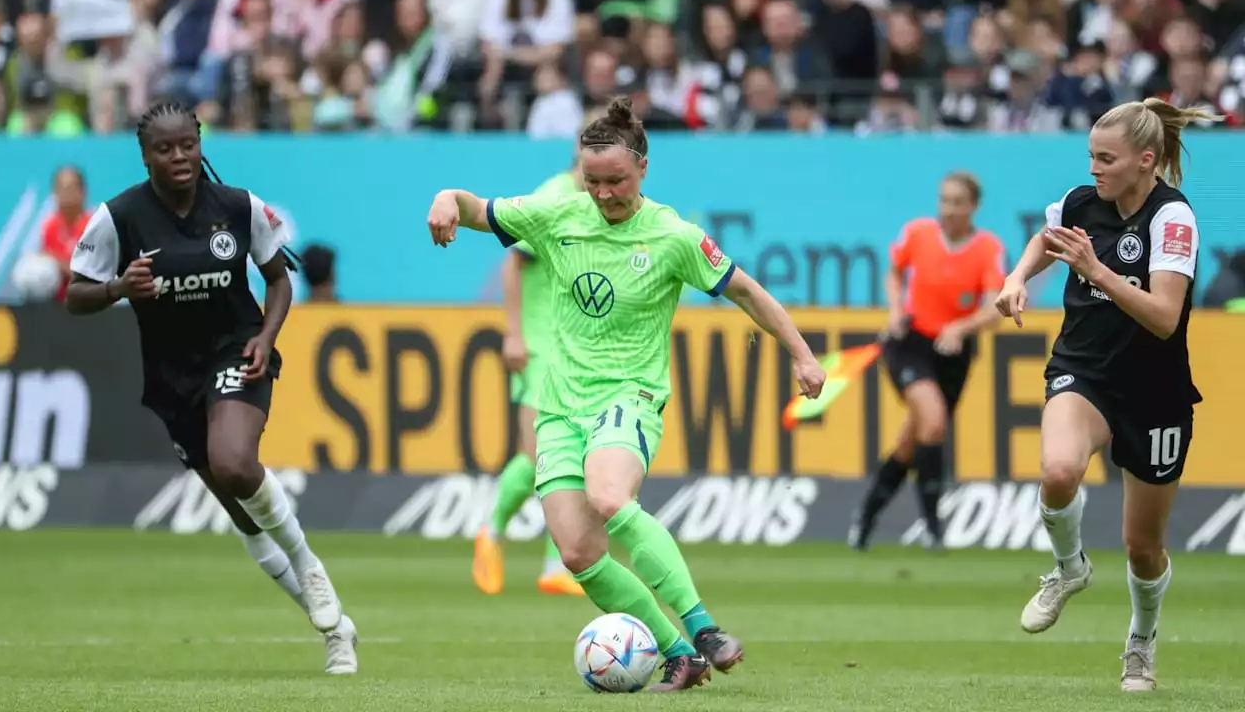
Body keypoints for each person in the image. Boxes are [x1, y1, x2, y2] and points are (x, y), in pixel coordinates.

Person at [427, 97, 826, 692]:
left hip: (630, 396)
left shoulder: (673, 235)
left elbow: (746, 291)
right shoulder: (556, 214)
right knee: (579, 553)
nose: (604, 193)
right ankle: (678, 655)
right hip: (561, 405)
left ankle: (703, 627)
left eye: (615, 181)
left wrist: (800, 350)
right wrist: (443, 201)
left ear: (643, 169)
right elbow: (471, 206)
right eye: (593, 181)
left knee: (609, 496)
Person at [64, 102, 357, 676]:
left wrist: (267, 338)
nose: (179, 158)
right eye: (165, 150)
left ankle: (309, 564)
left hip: (236, 351)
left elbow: (278, 280)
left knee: (235, 463)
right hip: (172, 378)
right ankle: (337, 631)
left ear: (202, 145)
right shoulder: (118, 218)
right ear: (145, 156)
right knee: (243, 516)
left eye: (187, 146)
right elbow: (76, 294)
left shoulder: (238, 206)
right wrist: (119, 287)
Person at [995, 98, 1219, 692]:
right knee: (1060, 469)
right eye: (1090, 155)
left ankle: (1141, 643)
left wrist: (1099, 273)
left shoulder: (1173, 220)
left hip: (1154, 394)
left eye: (1106, 158)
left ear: (1146, 161)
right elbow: (1047, 240)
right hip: (1084, 370)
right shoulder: (1079, 203)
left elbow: (1166, 317)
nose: (1094, 168)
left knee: (1143, 549)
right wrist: (1017, 278)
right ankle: (1068, 569)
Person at [849, 172, 1006, 551]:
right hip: (911, 342)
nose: (948, 209)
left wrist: (961, 328)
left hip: (954, 353)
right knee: (933, 422)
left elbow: (995, 307)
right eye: (944, 200)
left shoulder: (987, 248)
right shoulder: (918, 234)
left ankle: (866, 517)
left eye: (957, 202)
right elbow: (893, 272)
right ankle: (934, 525)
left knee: (911, 442)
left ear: (973, 207)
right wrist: (895, 308)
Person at [473, 156, 586, 597]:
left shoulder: (592, 201)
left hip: (571, 351)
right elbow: (514, 261)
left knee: (563, 454)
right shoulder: (553, 196)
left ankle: (550, 560)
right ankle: (497, 531)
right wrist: (515, 333)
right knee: (544, 453)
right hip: (540, 347)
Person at [40, 166, 92, 303]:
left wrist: (58, 264)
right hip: (56, 304)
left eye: (69, 188)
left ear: (82, 192)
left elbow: (92, 273)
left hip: (88, 303)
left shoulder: (93, 226)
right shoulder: (50, 226)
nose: (65, 195)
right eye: (60, 189)